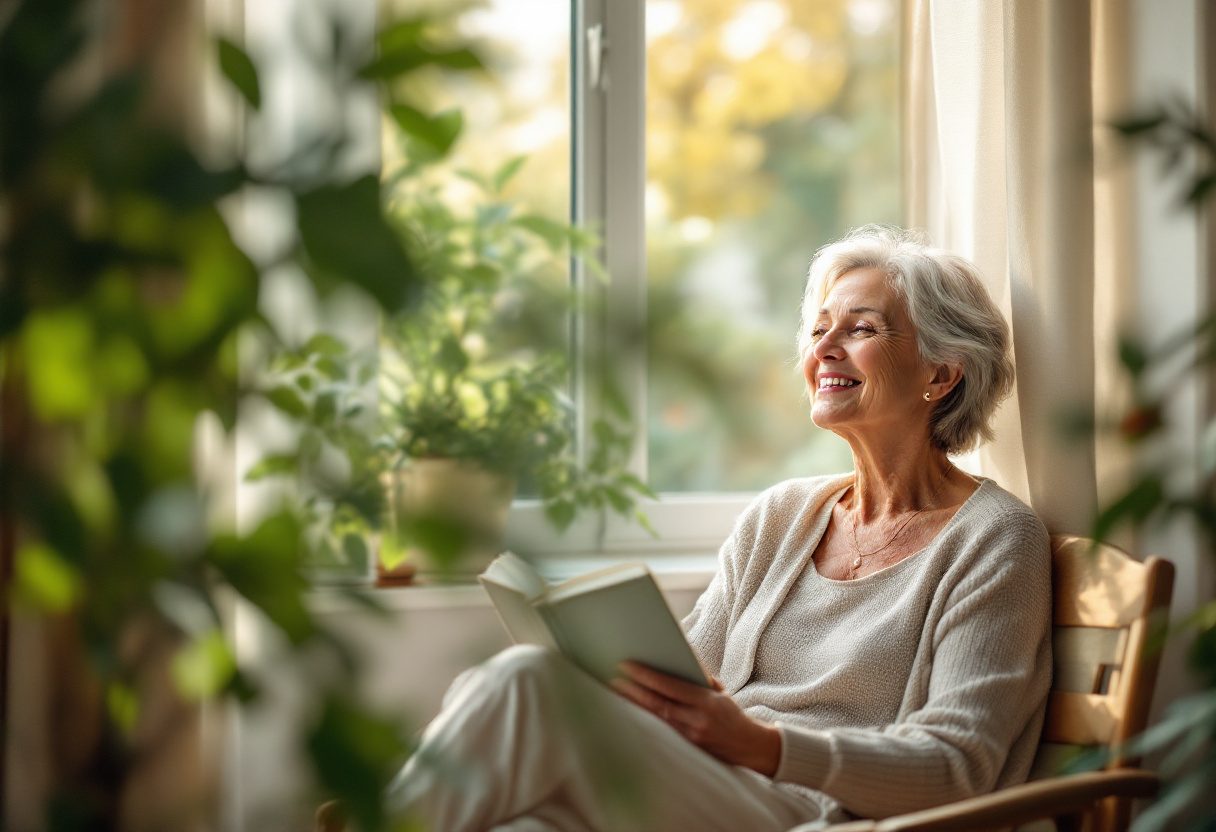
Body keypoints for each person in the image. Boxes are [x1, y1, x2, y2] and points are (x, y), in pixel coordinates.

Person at [379, 226, 1052, 832]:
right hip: (717, 787)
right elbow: (692, 672)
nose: (824, 346)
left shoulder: (995, 539)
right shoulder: (781, 517)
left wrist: (766, 746)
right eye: (820, 328)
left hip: (819, 813)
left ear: (940, 372)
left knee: (527, 683)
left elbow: (959, 765)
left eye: (861, 329)